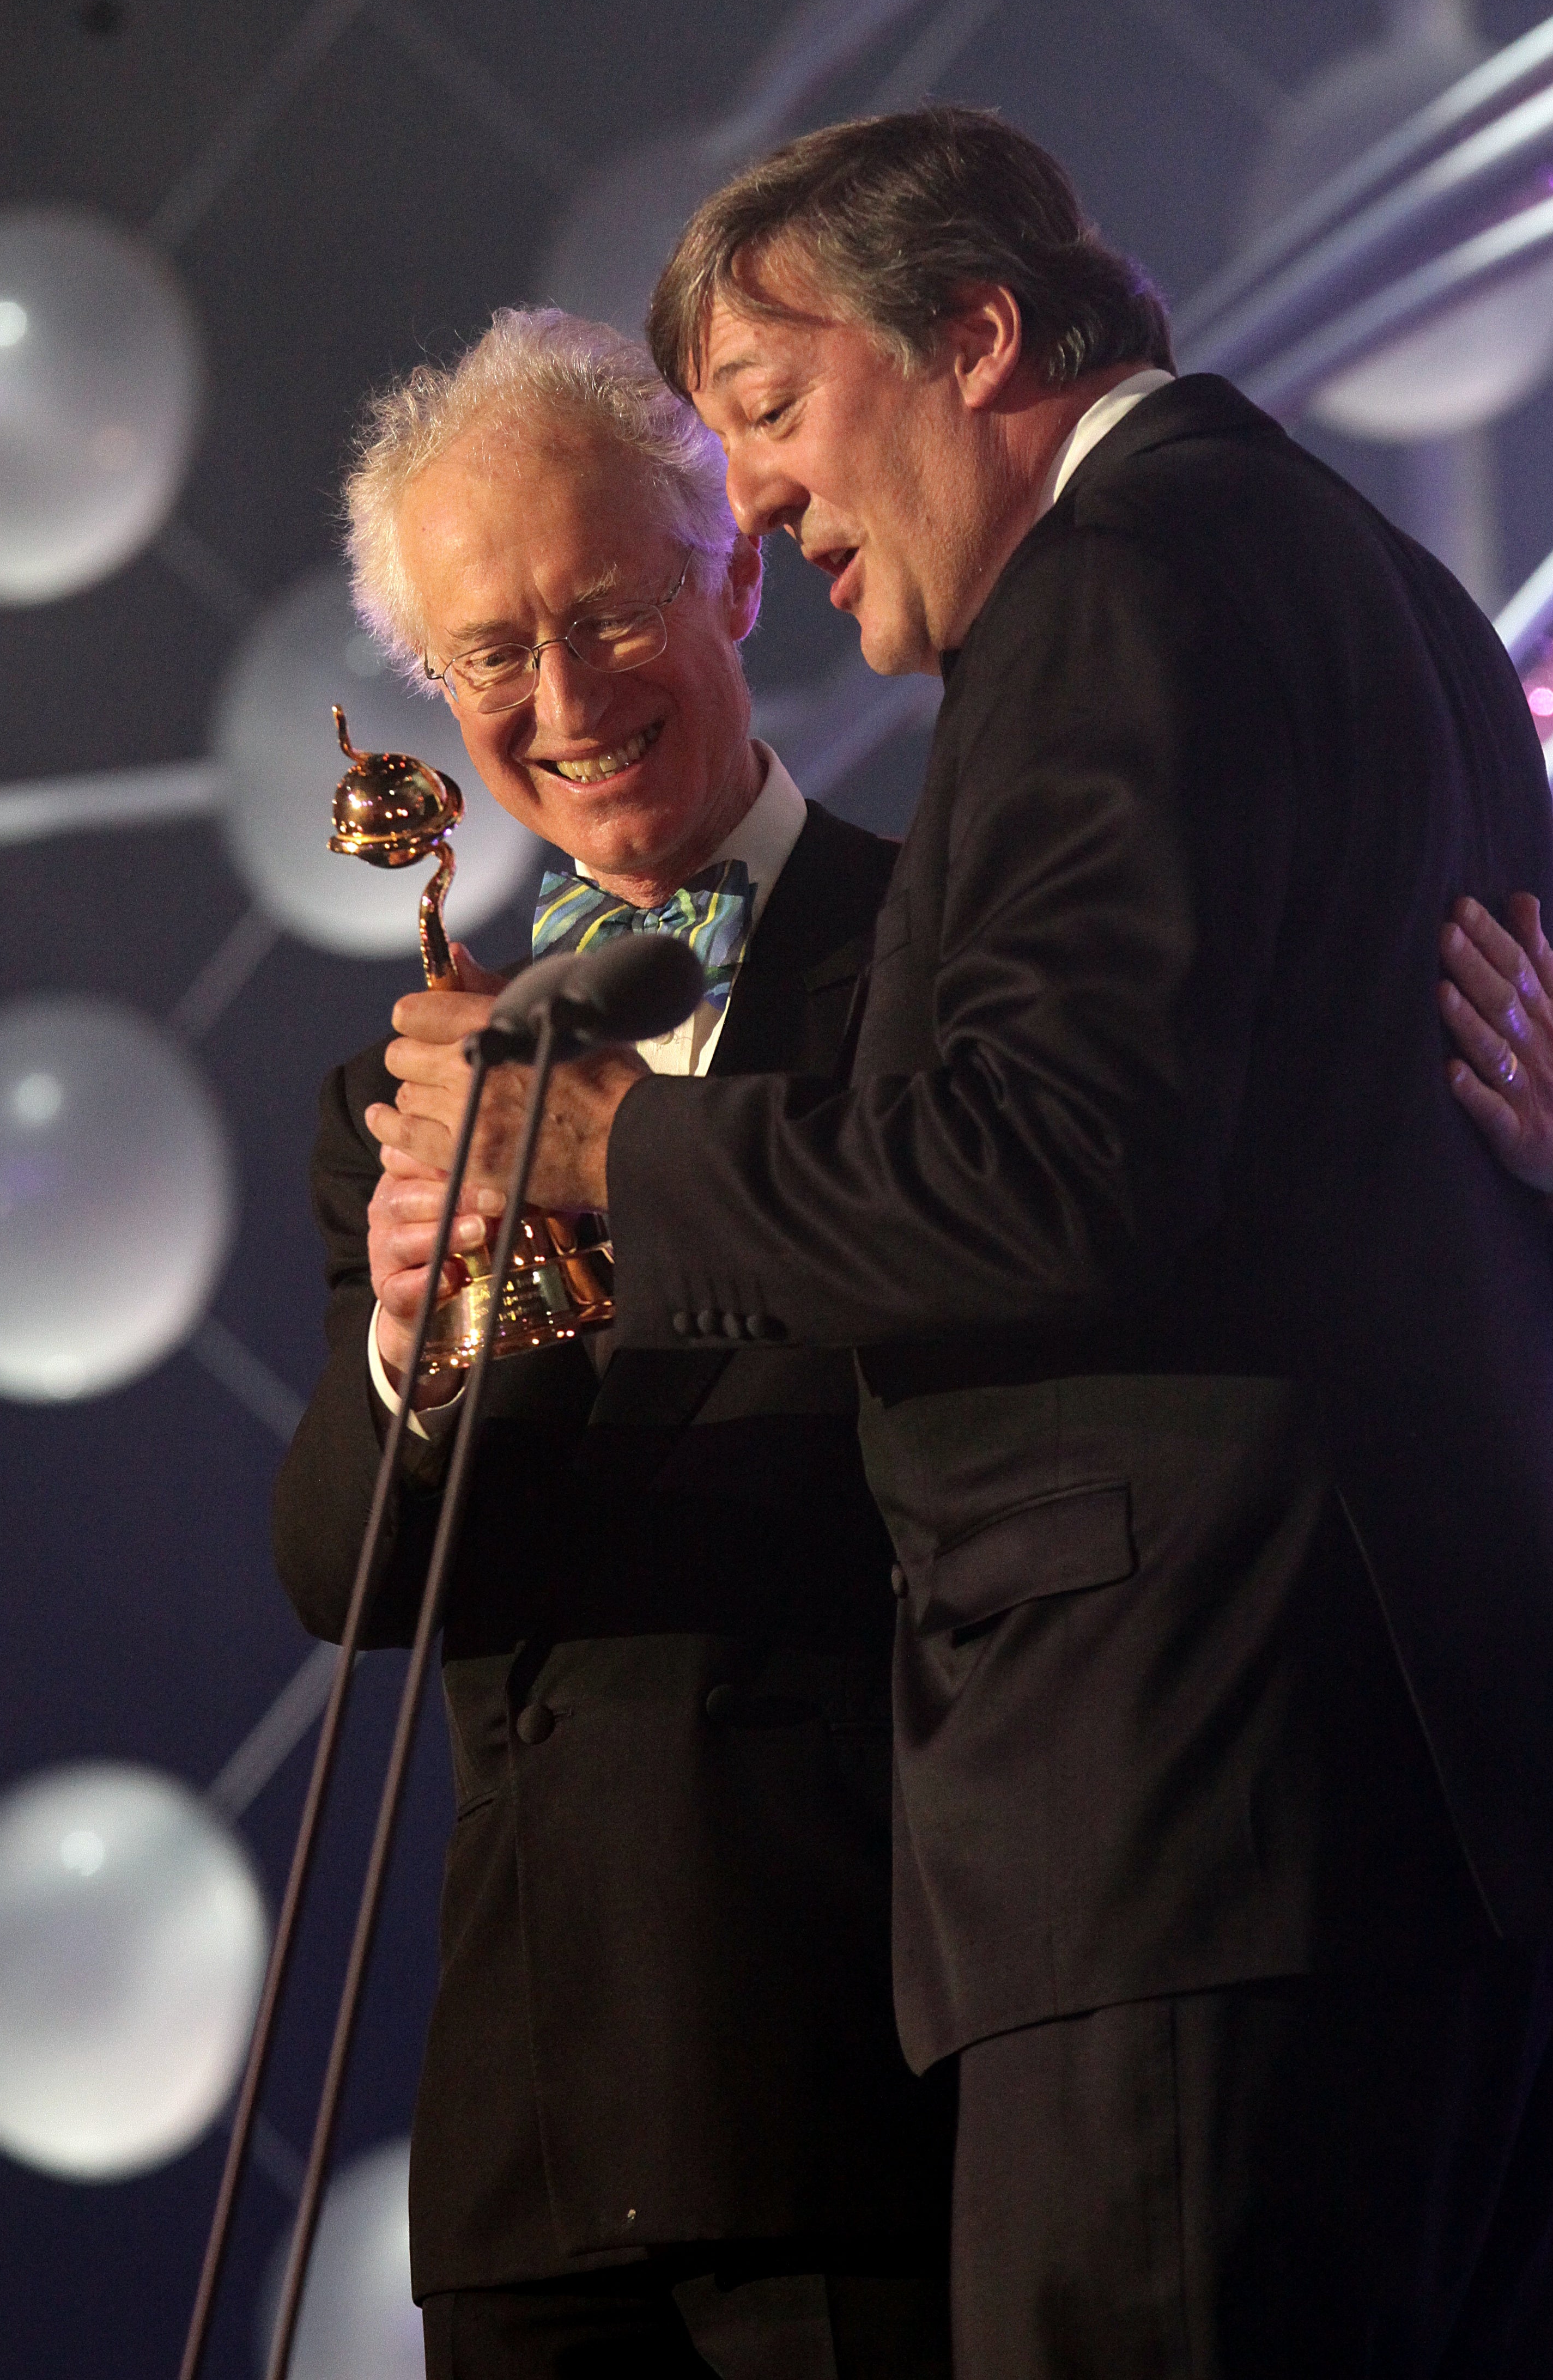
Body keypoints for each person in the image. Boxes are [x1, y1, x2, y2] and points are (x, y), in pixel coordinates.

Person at [368, 125, 1553, 2374]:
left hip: (1206, 1822)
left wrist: (626, 1153)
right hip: (1453, 1832)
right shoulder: (1389, 592)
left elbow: (1051, 1168)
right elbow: (1402, 1228)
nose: (767, 509)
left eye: (775, 410)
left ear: (978, 338)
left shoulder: (1117, 585)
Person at [271, 311, 954, 2380]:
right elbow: (346, 1575)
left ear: (735, 576)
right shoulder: (402, 1094)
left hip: (874, 2065)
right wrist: (414, 1329)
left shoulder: (945, 961)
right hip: (540, 2129)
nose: (559, 702)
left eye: (606, 613)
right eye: (489, 655)